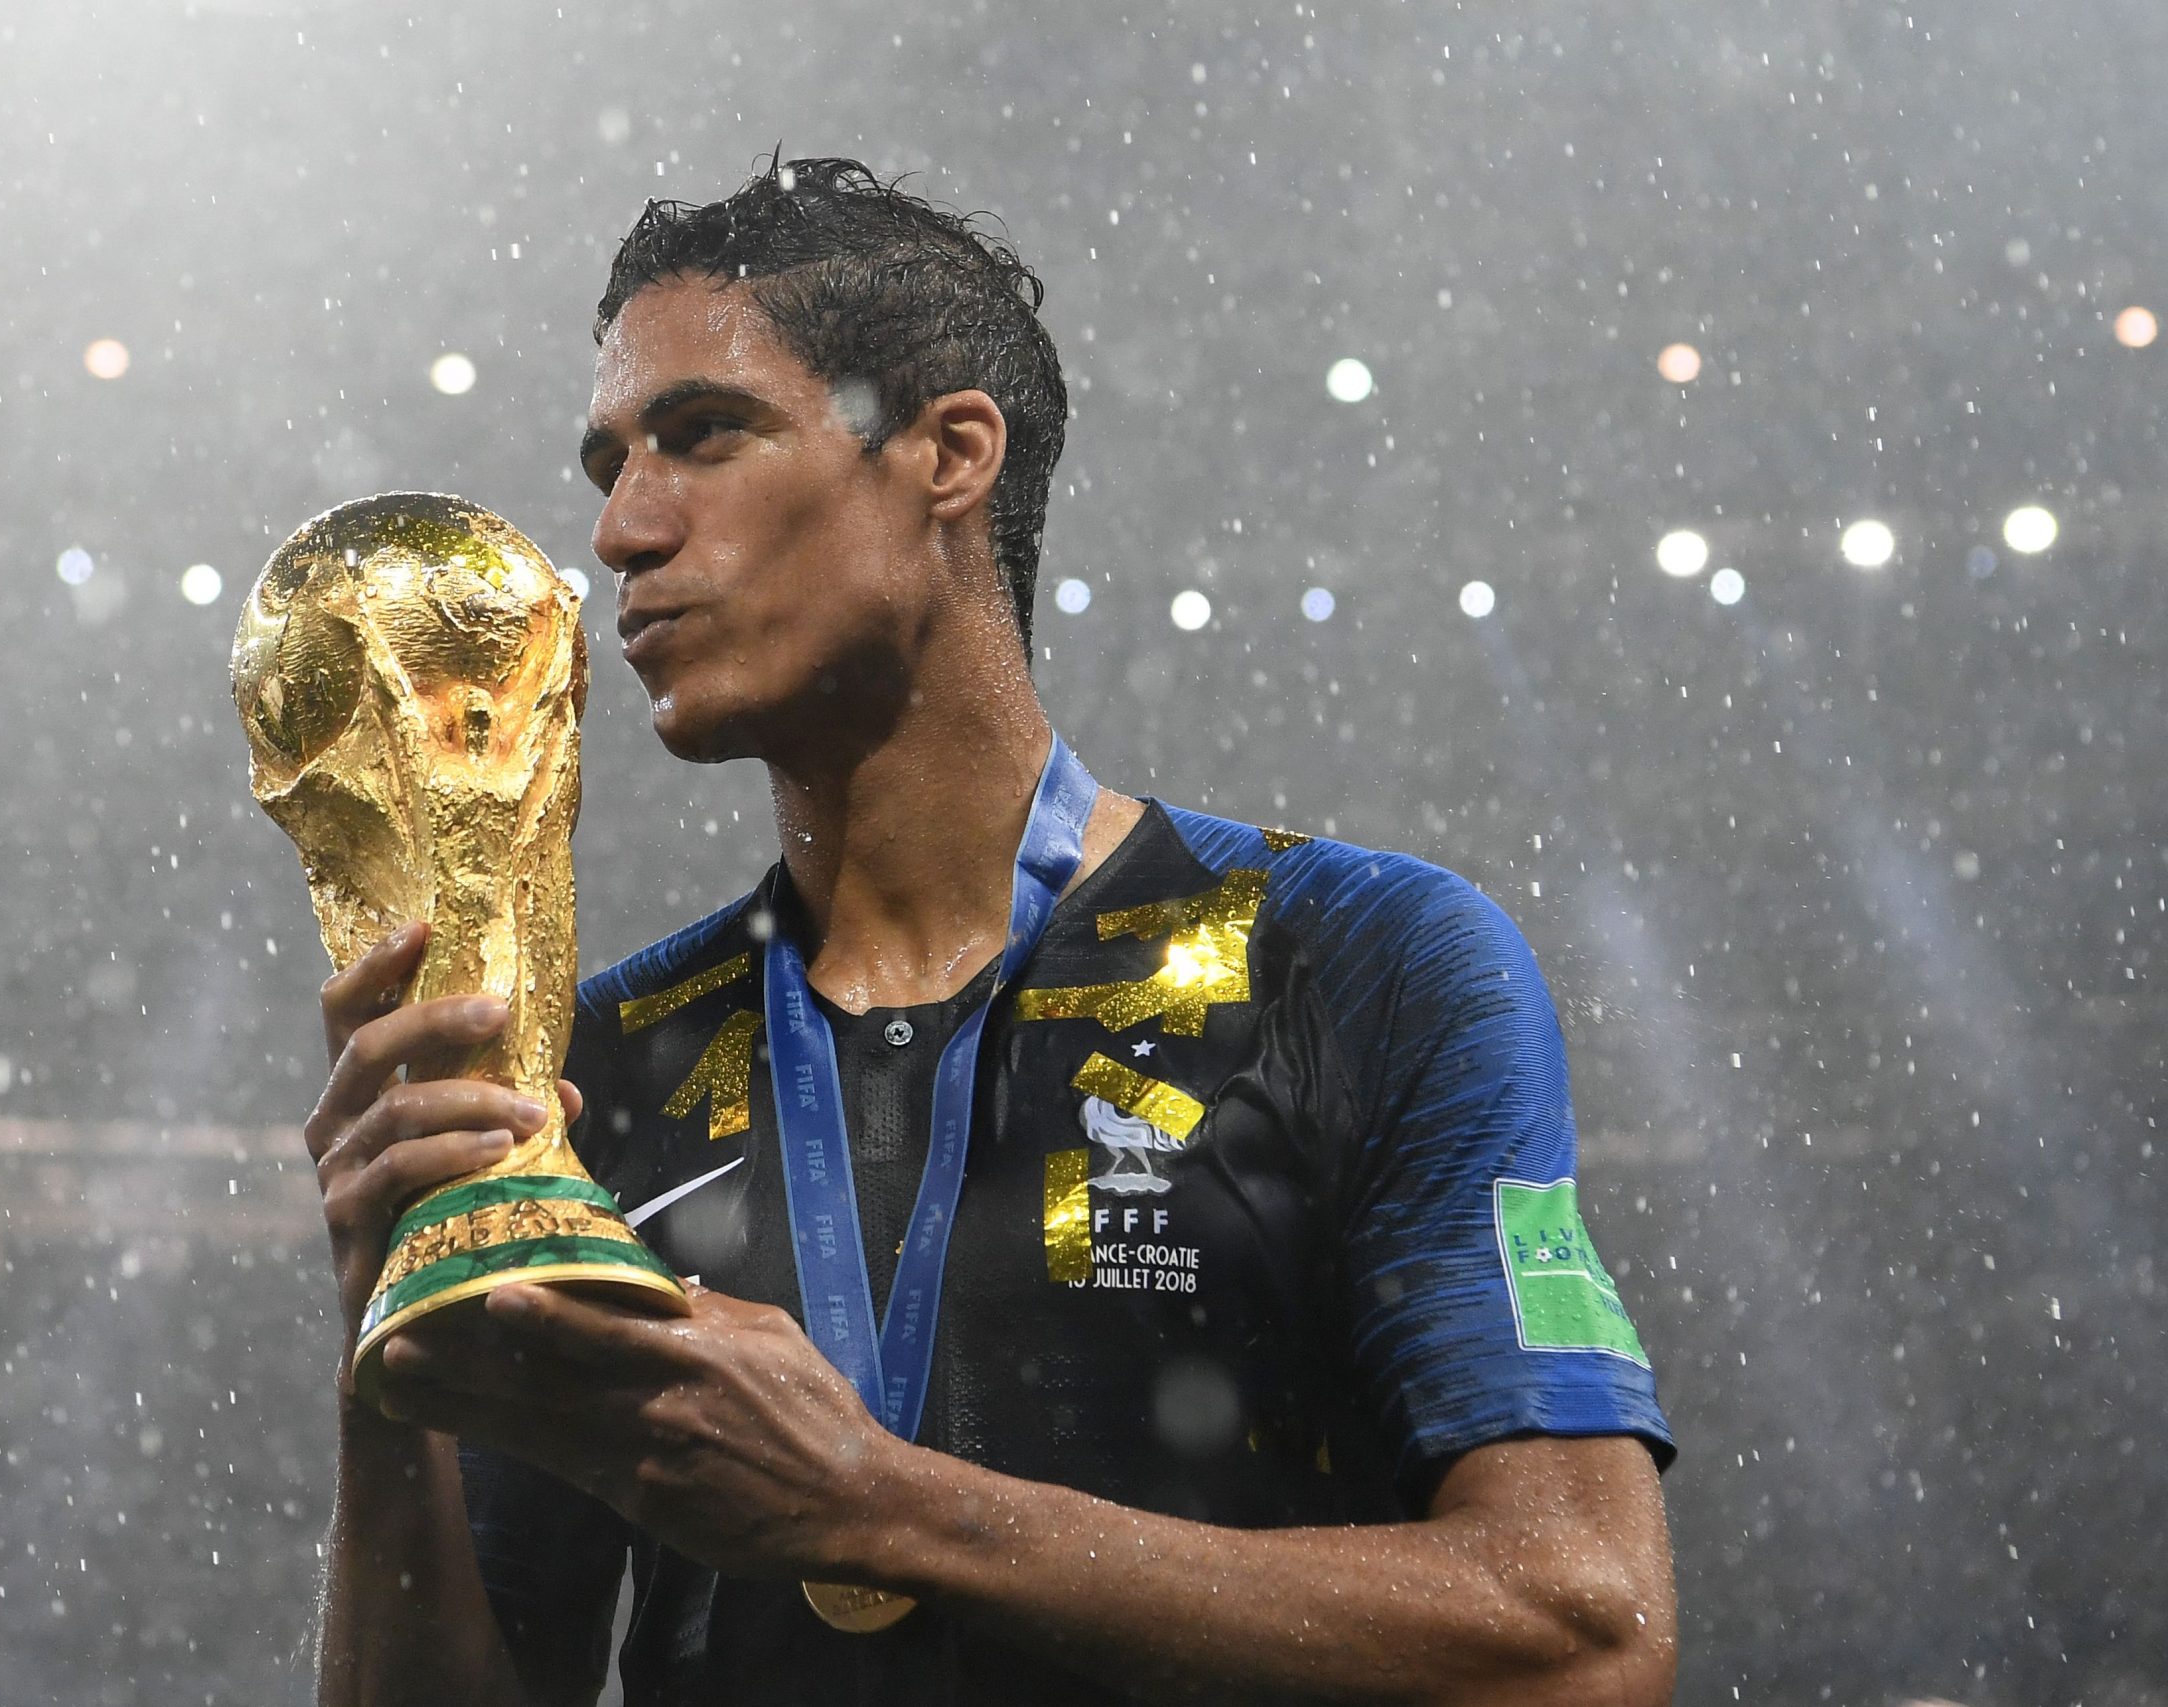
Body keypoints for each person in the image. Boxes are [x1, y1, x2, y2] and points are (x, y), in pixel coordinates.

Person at [302, 156, 1677, 1706]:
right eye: (609, 462)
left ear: (947, 454)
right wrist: (386, 1350)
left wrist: (881, 1507)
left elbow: (1584, 1633)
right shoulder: (596, 1067)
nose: (621, 531)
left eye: (703, 435)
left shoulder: (1357, 958)